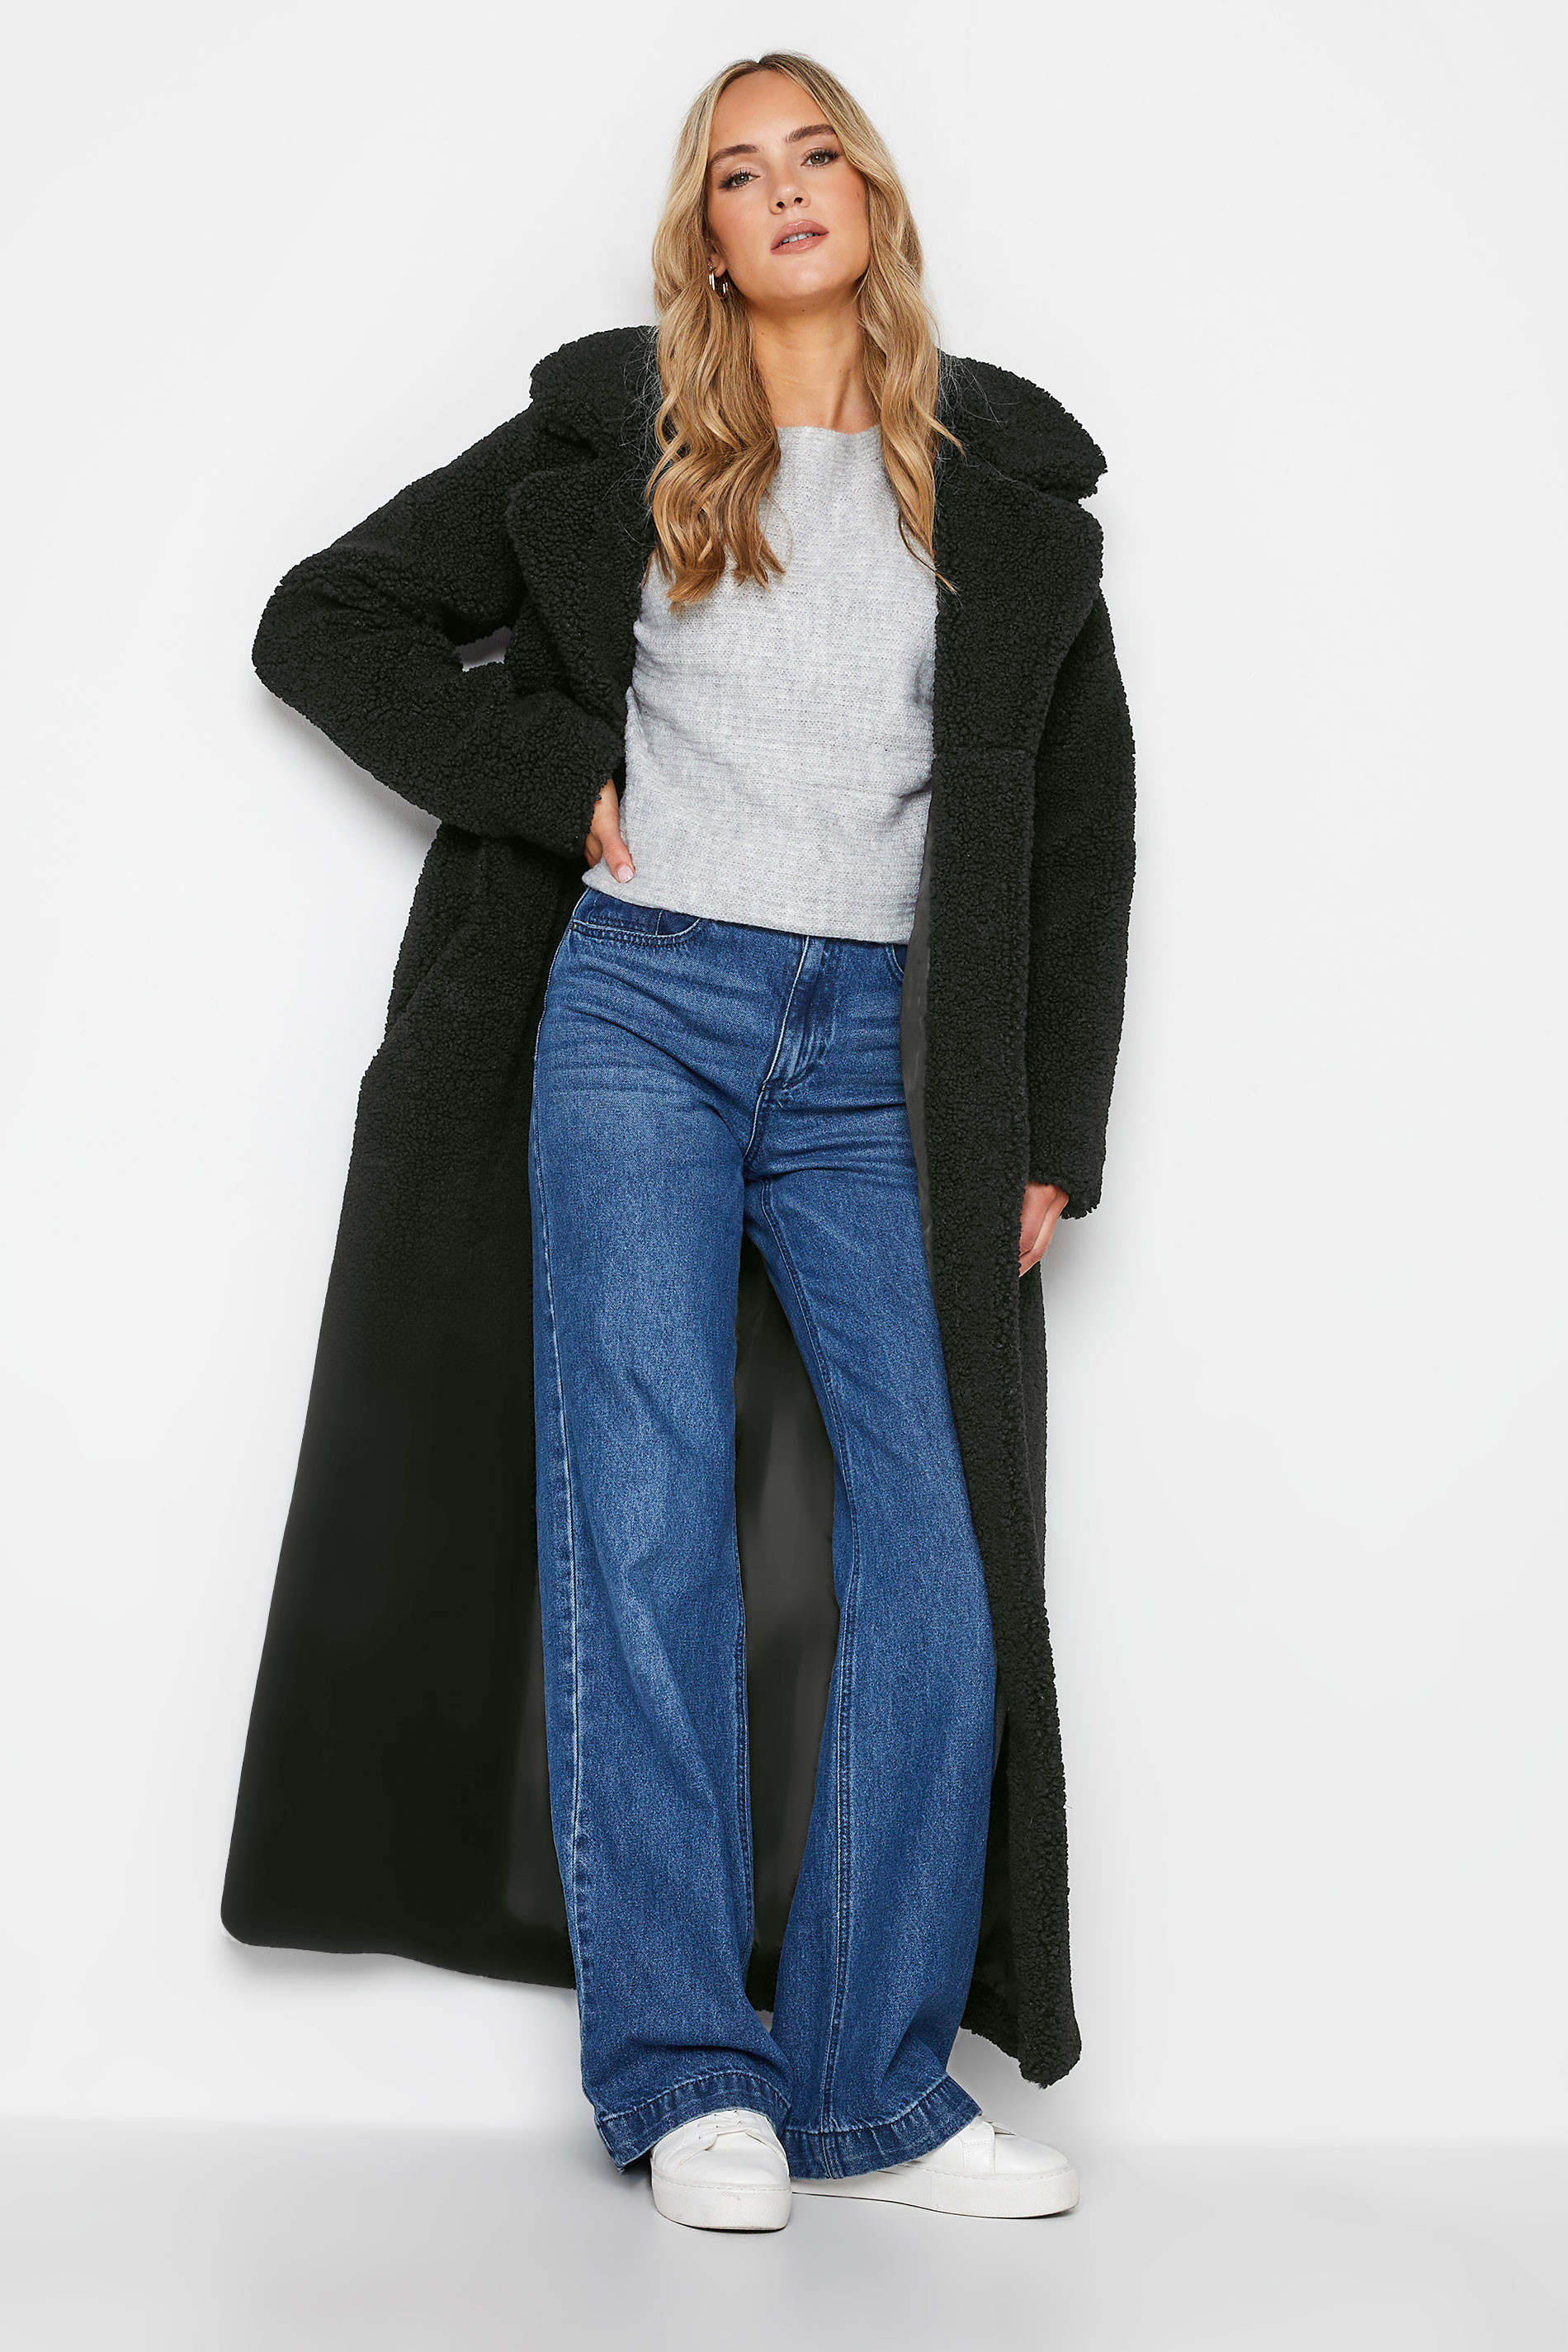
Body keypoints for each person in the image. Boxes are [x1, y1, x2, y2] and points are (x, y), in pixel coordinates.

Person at [224, 50, 1136, 2234]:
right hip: (641, 1010)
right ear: (705, 235)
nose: (784, 190)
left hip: (886, 1063)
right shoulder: (614, 444)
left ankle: (871, 2089)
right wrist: (562, 781)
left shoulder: (1002, 502)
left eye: (817, 154)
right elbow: (320, 618)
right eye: (740, 171)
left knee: (942, 1548)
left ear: (872, 199)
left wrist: (1051, 1124)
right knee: (641, 1522)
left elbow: (1081, 823)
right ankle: (681, 2068)